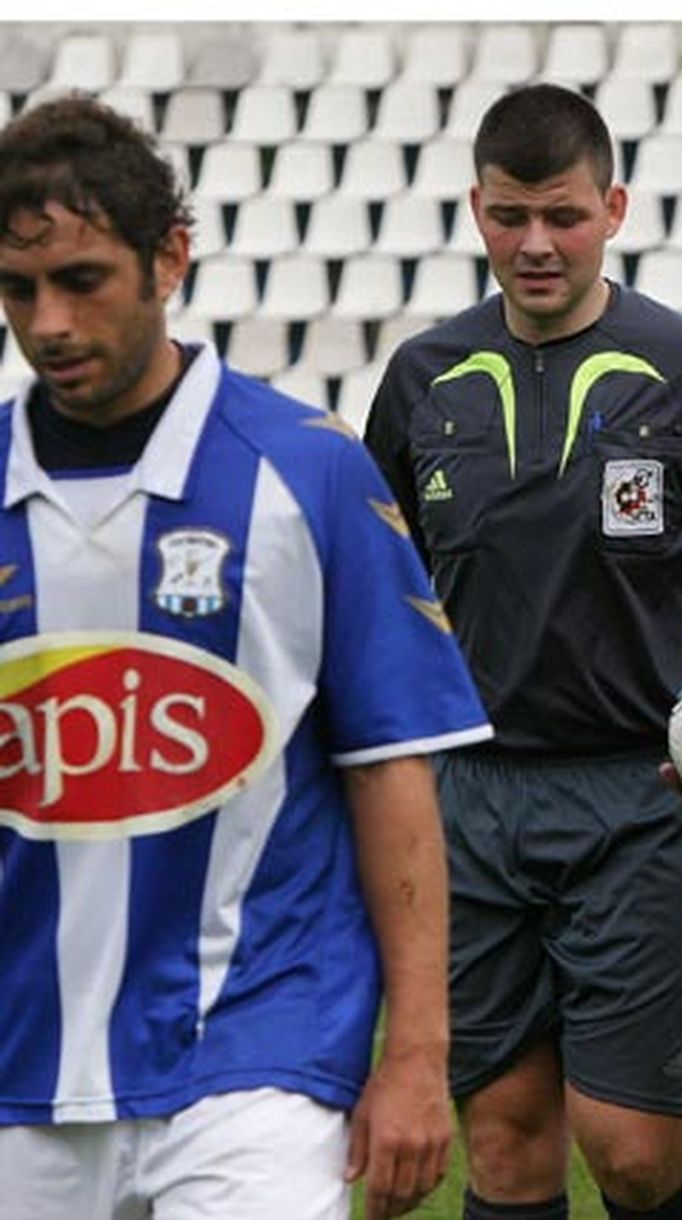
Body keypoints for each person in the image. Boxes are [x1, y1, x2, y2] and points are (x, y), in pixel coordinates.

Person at [0, 97, 493, 1220]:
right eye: (20, 288)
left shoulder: (305, 473)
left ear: (169, 256)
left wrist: (416, 1055)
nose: (49, 322)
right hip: (23, 1059)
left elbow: (390, 768)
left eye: (82, 279)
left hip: (256, 1044)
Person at [363, 83, 682, 1220]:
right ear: (476, 211)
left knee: (635, 1150)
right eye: (511, 216)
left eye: (561, 214)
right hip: (471, 799)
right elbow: (378, 597)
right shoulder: (420, 379)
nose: (536, 243)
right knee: (504, 1141)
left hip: (648, 796)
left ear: (612, 207)